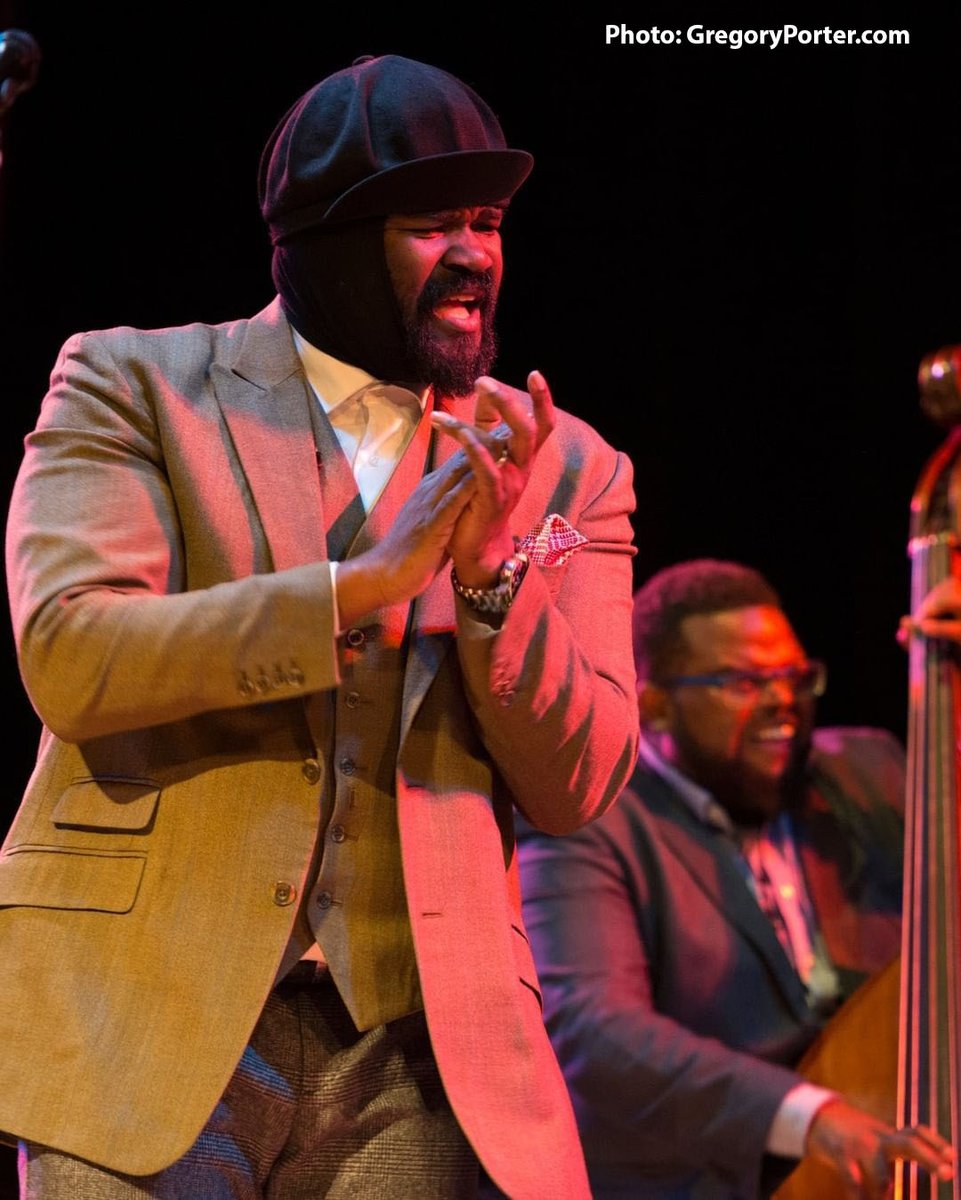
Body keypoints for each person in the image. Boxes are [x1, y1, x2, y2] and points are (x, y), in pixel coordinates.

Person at [0, 54, 639, 1199]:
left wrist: (493, 577)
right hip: (147, 1013)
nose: (476, 255)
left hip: (417, 1047)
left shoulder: (565, 466)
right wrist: (356, 588)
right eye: (431, 223)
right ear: (330, 246)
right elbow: (72, 654)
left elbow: (581, 778)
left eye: (487, 222)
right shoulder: (136, 385)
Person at [517, 558, 955, 1199]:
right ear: (656, 705)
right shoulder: (587, 818)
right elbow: (593, 1029)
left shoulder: (869, 772)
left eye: (795, 677)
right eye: (745, 682)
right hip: (705, 1179)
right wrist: (813, 1117)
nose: (783, 702)